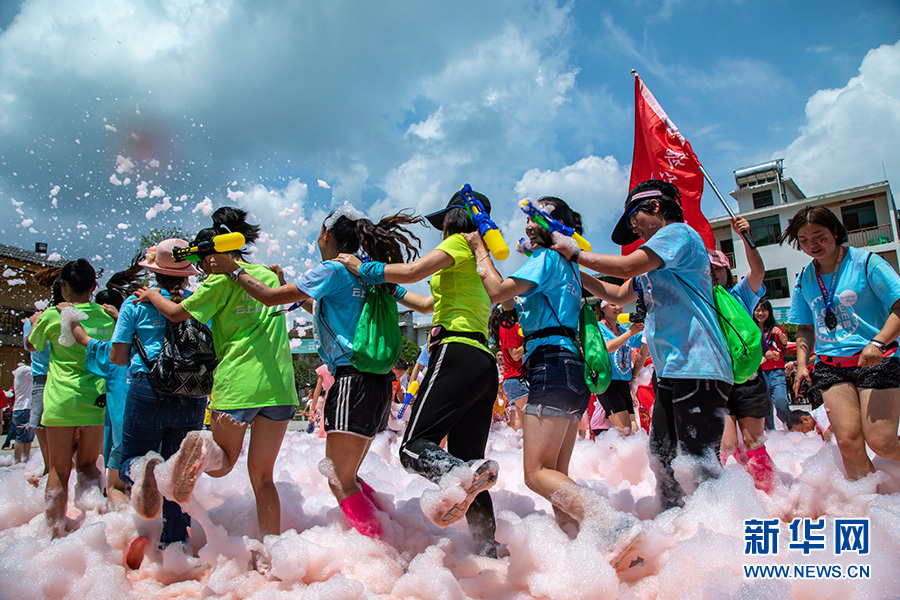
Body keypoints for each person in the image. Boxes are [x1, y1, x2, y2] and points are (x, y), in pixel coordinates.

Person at [204, 204, 425, 541]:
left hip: (352, 381)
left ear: (326, 235)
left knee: (338, 478)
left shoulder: (331, 270)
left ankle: (384, 549)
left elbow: (269, 298)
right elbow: (334, 308)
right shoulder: (368, 272)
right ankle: (391, 534)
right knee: (345, 474)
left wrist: (233, 270)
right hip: (378, 383)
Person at [464, 195, 641, 557]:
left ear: (556, 227)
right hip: (572, 370)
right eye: (528, 217)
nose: (529, 223)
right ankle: (590, 552)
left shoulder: (545, 259)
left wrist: (479, 248)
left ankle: (611, 524)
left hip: (550, 366)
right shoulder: (570, 266)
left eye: (538, 217)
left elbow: (498, 292)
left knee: (536, 474)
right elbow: (616, 295)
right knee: (556, 477)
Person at [335, 187, 502, 557]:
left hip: (455, 352)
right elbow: (427, 302)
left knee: (412, 448)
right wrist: (388, 290)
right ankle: (487, 550)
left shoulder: (459, 242)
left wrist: (364, 269)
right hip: (483, 363)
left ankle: (464, 484)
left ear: (455, 219)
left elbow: (413, 271)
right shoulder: (481, 258)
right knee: (469, 461)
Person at [553, 180, 733, 511]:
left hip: (699, 363)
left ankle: (723, 533)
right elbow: (616, 293)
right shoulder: (655, 261)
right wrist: (570, 267)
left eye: (635, 219)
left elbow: (626, 266)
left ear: (654, 208)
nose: (634, 228)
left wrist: (575, 252)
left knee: (699, 459)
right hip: (671, 368)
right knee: (661, 455)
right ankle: (677, 524)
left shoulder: (678, 234)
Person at [133, 209, 298, 538]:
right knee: (263, 478)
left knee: (222, 463)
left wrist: (152, 295)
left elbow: (178, 314)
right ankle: (271, 552)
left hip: (237, 383)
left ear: (212, 256)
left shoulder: (219, 282)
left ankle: (201, 447)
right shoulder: (265, 275)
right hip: (280, 387)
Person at [97, 240, 206, 558]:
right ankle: (175, 545)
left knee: (131, 457)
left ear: (154, 273)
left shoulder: (135, 304)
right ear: (187, 275)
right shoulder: (201, 301)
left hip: (148, 388)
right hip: (192, 392)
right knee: (178, 471)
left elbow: (118, 358)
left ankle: (143, 470)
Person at [782, 205, 900, 480]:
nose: (813, 245)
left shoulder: (867, 262)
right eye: (804, 240)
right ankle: (874, 506)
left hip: (876, 360)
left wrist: (879, 343)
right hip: (831, 366)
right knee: (848, 442)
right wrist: (801, 365)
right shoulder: (804, 278)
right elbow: (804, 327)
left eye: (819, 236)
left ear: (835, 231)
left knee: (882, 442)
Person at [26, 259, 115, 537]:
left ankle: (54, 532)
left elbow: (32, 345)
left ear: (63, 286)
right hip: (96, 401)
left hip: (61, 400)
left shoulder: (54, 316)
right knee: (88, 465)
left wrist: (35, 323)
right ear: (94, 287)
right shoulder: (106, 316)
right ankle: (97, 528)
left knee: (58, 469)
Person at [708, 217, 776, 493]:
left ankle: (771, 496)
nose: (712, 275)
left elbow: (758, 270)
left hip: (749, 381)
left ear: (728, 272)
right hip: (719, 384)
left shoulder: (739, 296)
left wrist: (746, 238)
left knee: (754, 441)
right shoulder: (698, 303)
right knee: (726, 444)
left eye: (717, 270)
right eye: (706, 270)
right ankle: (726, 500)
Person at [595, 300, 645, 435]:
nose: (618, 307)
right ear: (603, 308)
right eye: (613, 304)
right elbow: (606, 348)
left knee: (634, 429)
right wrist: (630, 333)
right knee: (625, 430)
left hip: (623, 383)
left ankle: (619, 455)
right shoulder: (598, 328)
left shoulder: (622, 330)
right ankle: (607, 455)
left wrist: (646, 328)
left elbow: (645, 345)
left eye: (619, 304)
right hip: (607, 382)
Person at [754, 299, 791, 429]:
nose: (760, 313)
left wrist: (781, 335)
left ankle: (790, 425)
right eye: (757, 310)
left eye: (764, 310)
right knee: (766, 405)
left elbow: (785, 342)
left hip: (776, 371)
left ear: (769, 312)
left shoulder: (776, 329)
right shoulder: (752, 331)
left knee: (781, 401)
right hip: (759, 372)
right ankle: (771, 433)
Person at [491, 304, 528, 432]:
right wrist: (532, 341)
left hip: (514, 380)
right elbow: (515, 355)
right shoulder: (508, 327)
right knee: (532, 419)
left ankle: (520, 450)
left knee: (521, 422)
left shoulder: (506, 327)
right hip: (517, 379)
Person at [10, 363, 34, 464]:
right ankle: (17, 461)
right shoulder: (25, 370)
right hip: (24, 408)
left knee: (27, 438)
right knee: (21, 438)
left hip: (20, 408)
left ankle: (25, 461)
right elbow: (42, 374)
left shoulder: (20, 370)